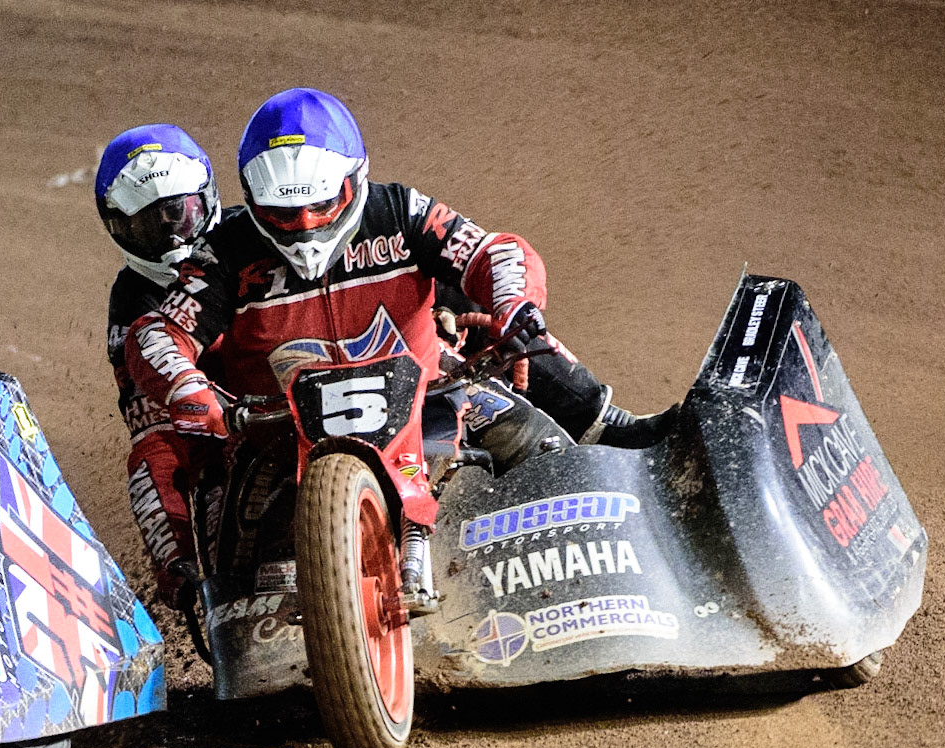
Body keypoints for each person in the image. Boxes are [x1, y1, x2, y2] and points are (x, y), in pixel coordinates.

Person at [126, 89, 670, 609]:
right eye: (283, 215)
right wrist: (187, 386)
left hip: (429, 394)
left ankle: (635, 530)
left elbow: (493, 252)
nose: (306, 227)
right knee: (228, 551)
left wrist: (515, 304)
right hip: (277, 432)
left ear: (355, 179)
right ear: (252, 201)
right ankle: (227, 608)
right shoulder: (226, 254)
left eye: (321, 205)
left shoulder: (404, 212)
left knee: (538, 442)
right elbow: (156, 333)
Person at [95, 123, 227, 608]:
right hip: (221, 426)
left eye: (177, 213)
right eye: (147, 225)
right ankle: (190, 576)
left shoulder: (245, 238)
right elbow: (145, 418)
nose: (171, 235)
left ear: (205, 199)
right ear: (118, 228)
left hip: (304, 382)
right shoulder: (130, 297)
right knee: (153, 454)